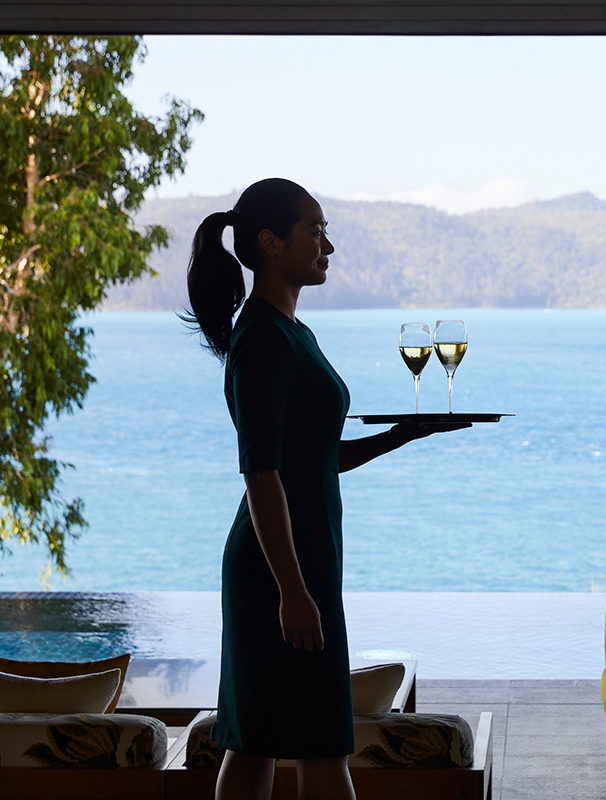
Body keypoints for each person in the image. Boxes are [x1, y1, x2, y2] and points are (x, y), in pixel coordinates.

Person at [183, 178, 466, 800]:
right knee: (304, 742)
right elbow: (261, 473)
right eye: (315, 231)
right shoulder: (262, 339)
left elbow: (311, 460)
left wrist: (402, 435)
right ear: (271, 243)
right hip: (278, 571)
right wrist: (291, 590)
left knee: (266, 741)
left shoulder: (291, 332)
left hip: (301, 562)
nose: (328, 247)